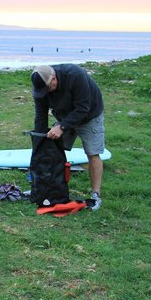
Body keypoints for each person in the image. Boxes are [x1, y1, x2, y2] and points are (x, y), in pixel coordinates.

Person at [31, 64, 105, 210]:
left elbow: (83, 108)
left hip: (89, 114)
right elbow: (41, 114)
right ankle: (46, 187)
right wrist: (39, 140)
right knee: (51, 148)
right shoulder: (40, 87)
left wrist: (62, 127)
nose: (45, 92)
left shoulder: (75, 75)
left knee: (92, 153)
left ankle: (96, 195)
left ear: (54, 78)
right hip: (64, 114)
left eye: (48, 88)